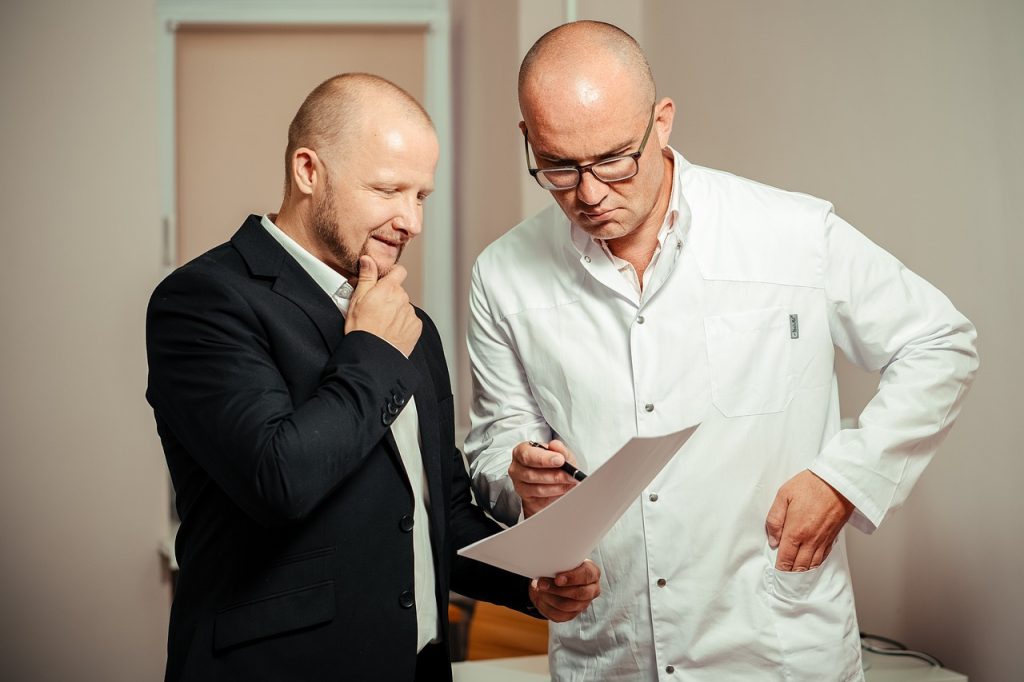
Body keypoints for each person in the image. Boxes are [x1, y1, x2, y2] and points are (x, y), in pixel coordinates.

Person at [464, 21, 978, 681]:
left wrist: (845, 480)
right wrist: (519, 477)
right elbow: (494, 444)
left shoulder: (790, 233)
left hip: (776, 650)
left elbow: (940, 341)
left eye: (616, 159)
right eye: (559, 167)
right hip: (609, 652)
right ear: (527, 140)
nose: (589, 194)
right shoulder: (501, 274)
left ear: (663, 122)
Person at [146, 73, 600, 682]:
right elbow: (278, 480)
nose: (410, 221)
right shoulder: (203, 300)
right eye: (388, 190)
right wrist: (372, 348)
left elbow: (440, 511)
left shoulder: (413, 326)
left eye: (421, 196)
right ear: (309, 171)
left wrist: (531, 584)